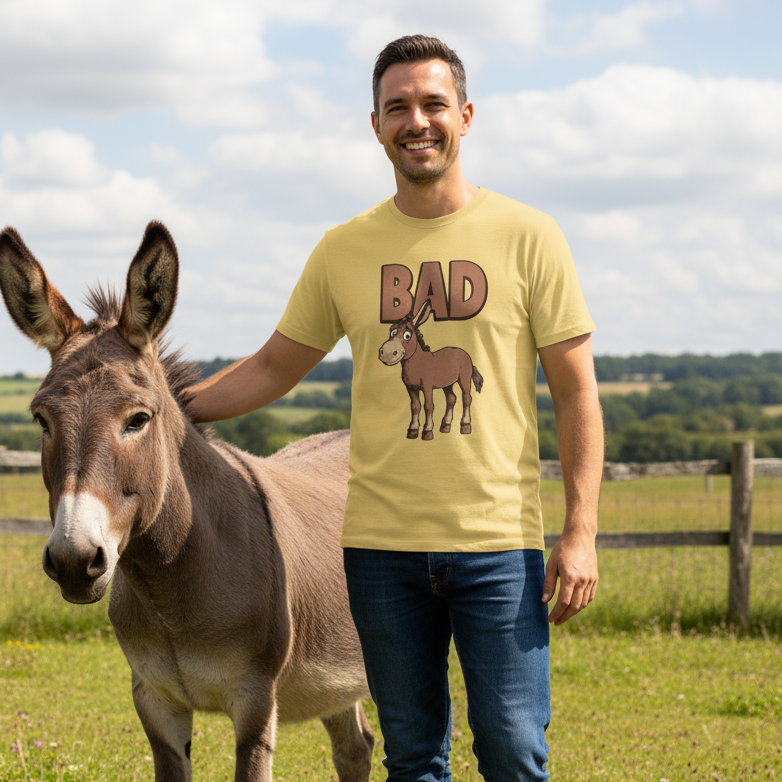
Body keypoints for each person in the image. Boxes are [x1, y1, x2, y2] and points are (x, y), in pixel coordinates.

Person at [188, 34, 603, 782]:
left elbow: (576, 390)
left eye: (433, 104)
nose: (418, 121)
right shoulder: (343, 249)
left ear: (465, 116)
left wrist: (579, 530)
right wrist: (163, 404)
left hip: (497, 546)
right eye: (398, 107)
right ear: (375, 124)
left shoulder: (529, 236)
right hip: (380, 552)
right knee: (412, 759)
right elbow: (275, 365)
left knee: (513, 748)